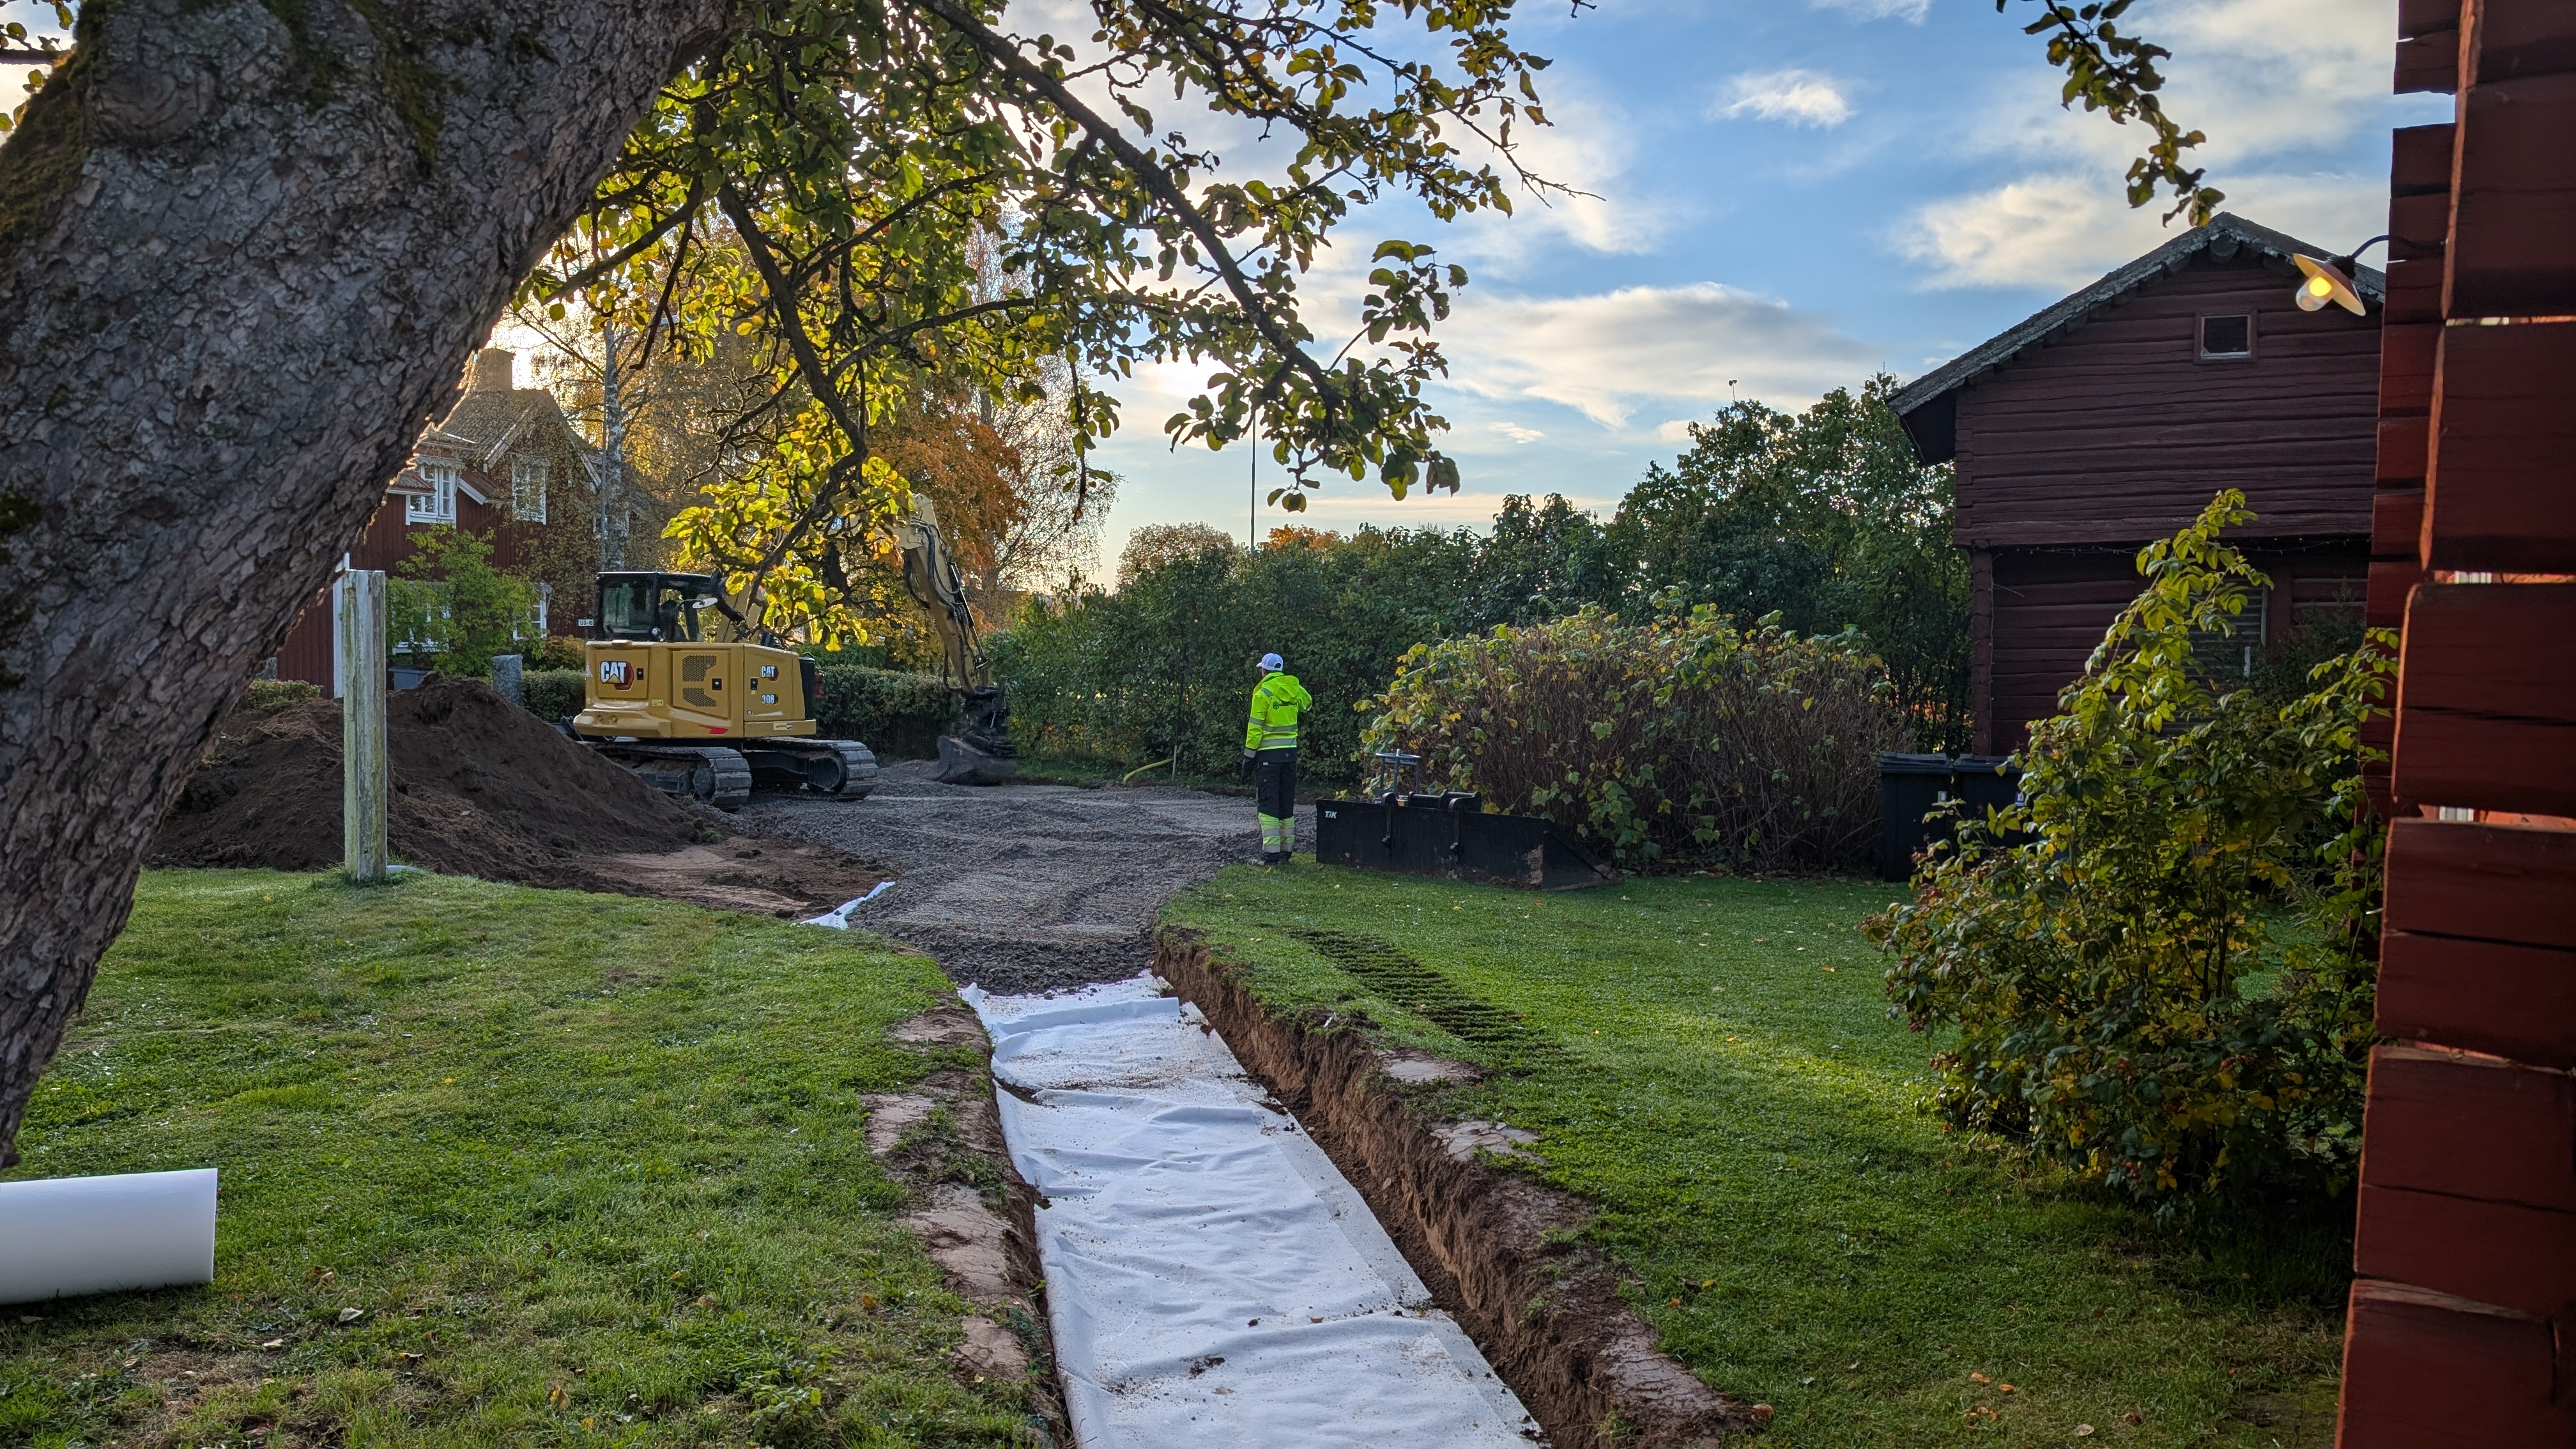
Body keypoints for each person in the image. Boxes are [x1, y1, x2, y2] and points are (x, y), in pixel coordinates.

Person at [1242, 652, 1310, 866]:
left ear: (1264, 671)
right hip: (1290, 755)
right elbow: (1307, 704)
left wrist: (1248, 759)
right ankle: (1285, 853)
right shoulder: (1294, 688)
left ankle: (1271, 856)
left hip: (1268, 758)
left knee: (1268, 804)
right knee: (1285, 803)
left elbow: (1255, 730)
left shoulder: (1262, 693)